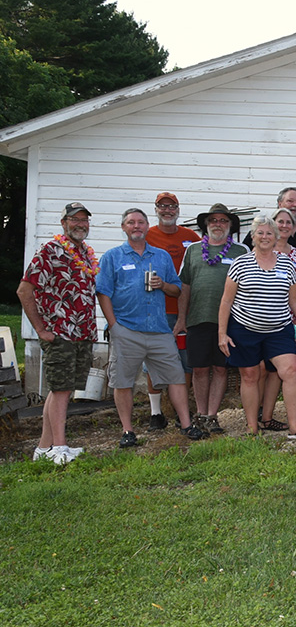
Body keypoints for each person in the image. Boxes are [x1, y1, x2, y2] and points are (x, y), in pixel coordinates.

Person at [97, 208, 202, 446]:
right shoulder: (112, 257)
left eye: (141, 222)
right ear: (124, 227)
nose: (136, 226)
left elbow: (176, 289)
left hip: (158, 328)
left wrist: (163, 284)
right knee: (123, 381)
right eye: (131, 222)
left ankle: (186, 425)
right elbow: (103, 292)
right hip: (126, 328)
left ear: (147, 226)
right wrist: (114, 325)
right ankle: (127, 431)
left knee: (176, 377)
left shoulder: (161, 256)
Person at [218, 215, 296, 439]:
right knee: (250, 376)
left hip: (279, 329)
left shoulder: (287, 264)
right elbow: (226, 301)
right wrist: (222, 333)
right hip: (244, 328)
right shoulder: (240, 263)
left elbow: (295, 299)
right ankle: (252, 427)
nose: (265, 237)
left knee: (291, 371)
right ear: (252, 237)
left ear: (276, 236)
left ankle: (295, 425)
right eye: (260, 233)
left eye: (269, 233)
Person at [18, 202, 98, 463]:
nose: (80, 224)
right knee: (61, 390)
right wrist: (41, 329)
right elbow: (24, 290)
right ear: (63, 223)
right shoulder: (50, 251)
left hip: (82, 331)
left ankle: (43, 448)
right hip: (60, 331)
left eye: (84, 220)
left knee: (60, 390)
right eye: (75, 219)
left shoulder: (84, 253)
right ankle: (60, 448)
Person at [175, 203, 247, 433]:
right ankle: (201, 413)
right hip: (198, 318)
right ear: (206, 225)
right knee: (198, 368)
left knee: (220, 368)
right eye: (213, 220)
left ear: (230, 226)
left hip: (229, 321)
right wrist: (181, 318)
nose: (218, 224)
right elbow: (184, 285)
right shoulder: (193, 250)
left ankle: (213, 415)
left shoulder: (241, 251)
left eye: (223, 221)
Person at [144, 191, 199, 431]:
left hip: (185, 310)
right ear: (156, 209)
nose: (167, 210)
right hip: (155, 311)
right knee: (153, 360)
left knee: (185, 361)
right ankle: (156, 412)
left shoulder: (191, 237)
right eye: (162, 206)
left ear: (178, 210)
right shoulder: (145, 236)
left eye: (172, 206)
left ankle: (182, 411)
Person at [256, 208, 296, 428]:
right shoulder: (258, 248)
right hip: (256, 321)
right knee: (258, 370)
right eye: (280, 222)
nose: (284, 225)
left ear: (294, 228)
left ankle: (267, 416)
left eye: (289, 222)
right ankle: (254, 412)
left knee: (279, 370)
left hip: (287, 319)